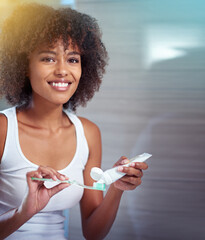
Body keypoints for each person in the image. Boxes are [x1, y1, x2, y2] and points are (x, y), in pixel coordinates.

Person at [0, 3, 148, 240]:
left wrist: (116, 188)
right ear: (24, 66)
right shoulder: (3, 129)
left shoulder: (88, 133)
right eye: (48, 58)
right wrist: (24, 211)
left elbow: (93, 231)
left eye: (72, 59)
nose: (62, 71)